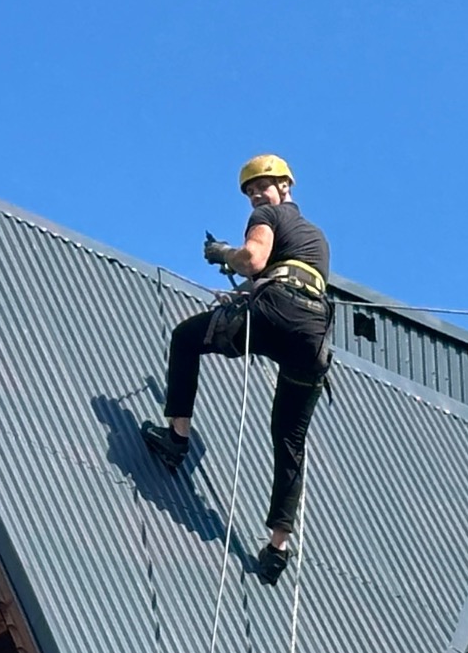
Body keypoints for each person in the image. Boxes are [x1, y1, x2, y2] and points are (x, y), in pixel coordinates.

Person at [142, 154, 331, 585]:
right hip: (313, 334)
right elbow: (291, 275)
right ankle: (278, 547)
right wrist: (243, 293)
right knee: (290, 440)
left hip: (275, 313)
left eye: (262, 186)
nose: (255, 196)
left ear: (285, 186)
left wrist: (223, 253)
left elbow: (255, 260)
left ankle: (176, 438)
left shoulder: (269, 214)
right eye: (250, 192)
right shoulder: (315, 236)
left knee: (186, 338)